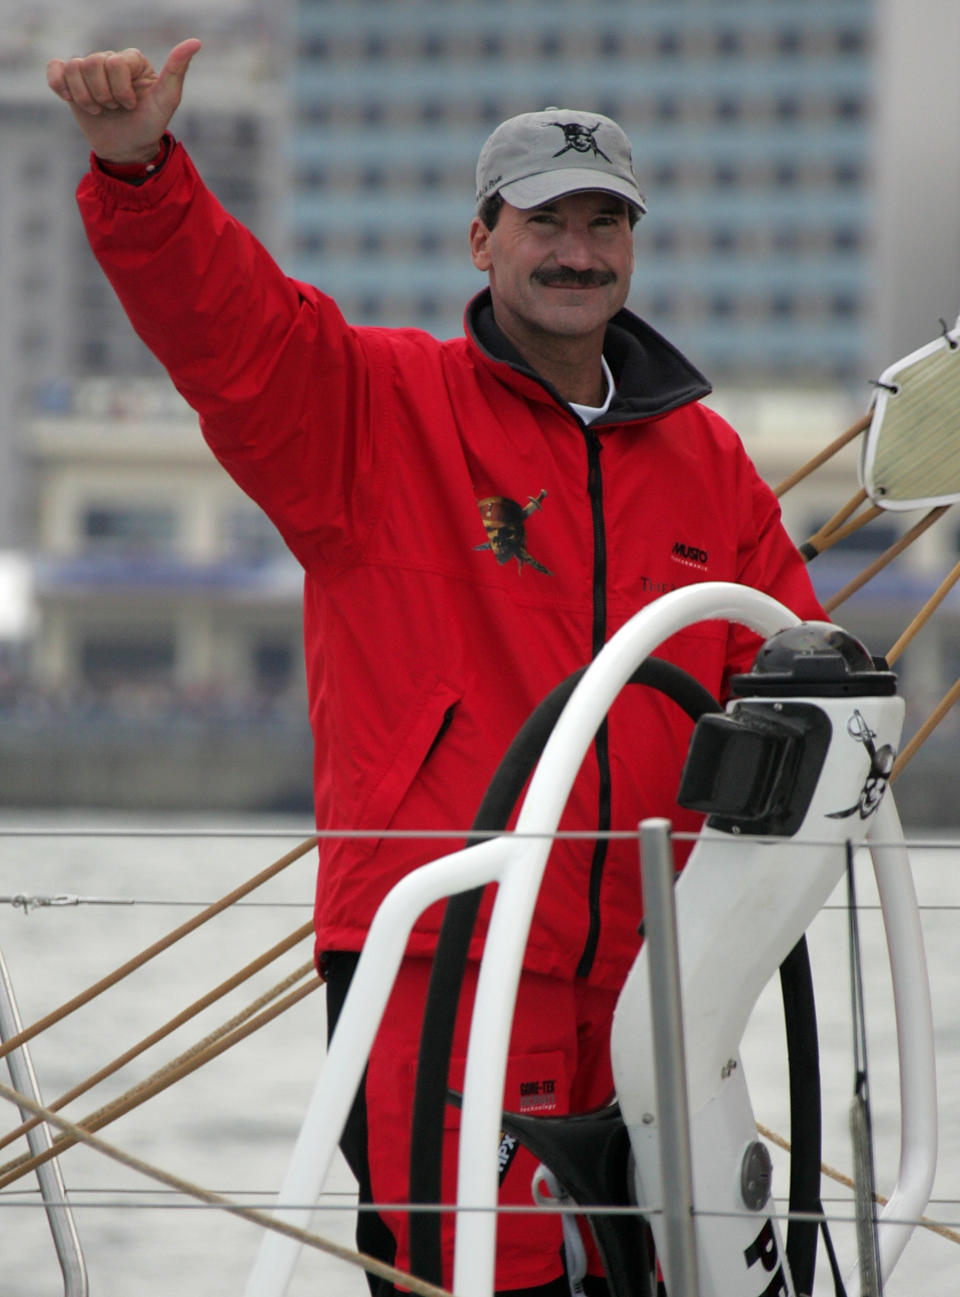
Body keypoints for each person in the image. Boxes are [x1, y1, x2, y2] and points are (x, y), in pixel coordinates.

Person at [48, 40, 827, 1297]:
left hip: (652, 983)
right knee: (469, 1274)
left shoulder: (710, 459)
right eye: (545, 221)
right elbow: (223, 323)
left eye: (603, 223)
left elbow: (792, 671)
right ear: (482, 239)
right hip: (445, 954)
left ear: (632, 245)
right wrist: (138, 168)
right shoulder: (370, 408)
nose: (577, 250)